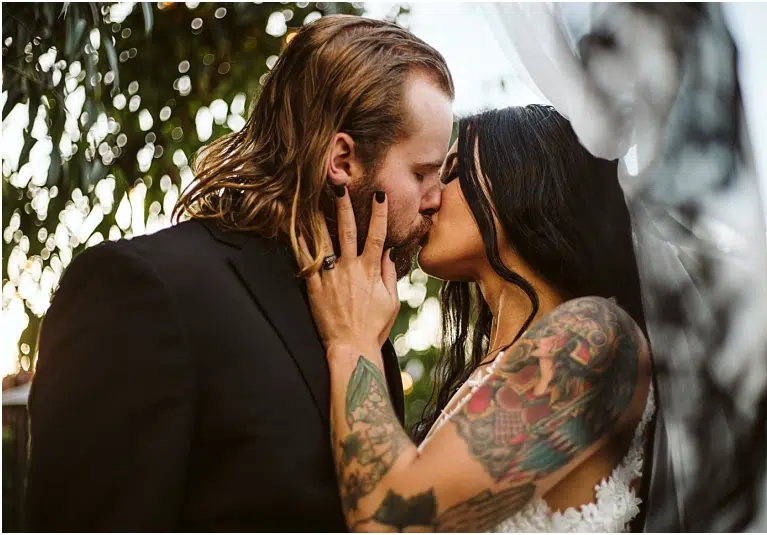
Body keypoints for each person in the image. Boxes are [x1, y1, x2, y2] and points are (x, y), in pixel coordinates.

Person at [24, 15, 454, 531]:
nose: (436, 200)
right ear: (342, 159)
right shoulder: (146, 289)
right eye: (422, 173)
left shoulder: (366, 327)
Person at [300, 104, 655, 532]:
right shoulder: (501, 365)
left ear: (521, 179)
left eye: (450, 173)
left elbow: (392, 519)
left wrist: (351, 342)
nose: (428, 199)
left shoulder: (594, 339)